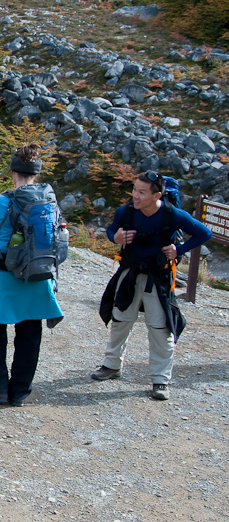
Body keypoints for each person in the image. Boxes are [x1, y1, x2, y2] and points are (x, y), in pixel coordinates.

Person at [92, 171, 211, 400]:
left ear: (157, 195)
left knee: (160, 328)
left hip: (158, 276)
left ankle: (160, 380)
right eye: (135, 190)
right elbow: (111, 230)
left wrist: (179, 249)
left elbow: (204, 233)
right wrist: (115, 238)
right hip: (130, 273)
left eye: (141, 192)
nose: (135, 196)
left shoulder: (172, 215)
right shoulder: (125, 212)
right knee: (120, 320)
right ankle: (111, 365)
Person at [0, 144, 63, 408]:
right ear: (36, 172)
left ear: (14, 171)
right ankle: (20, 391)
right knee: (30, 331)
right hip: (38, 275)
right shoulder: (49, 198)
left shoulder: (4, 200)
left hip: (4, 274)